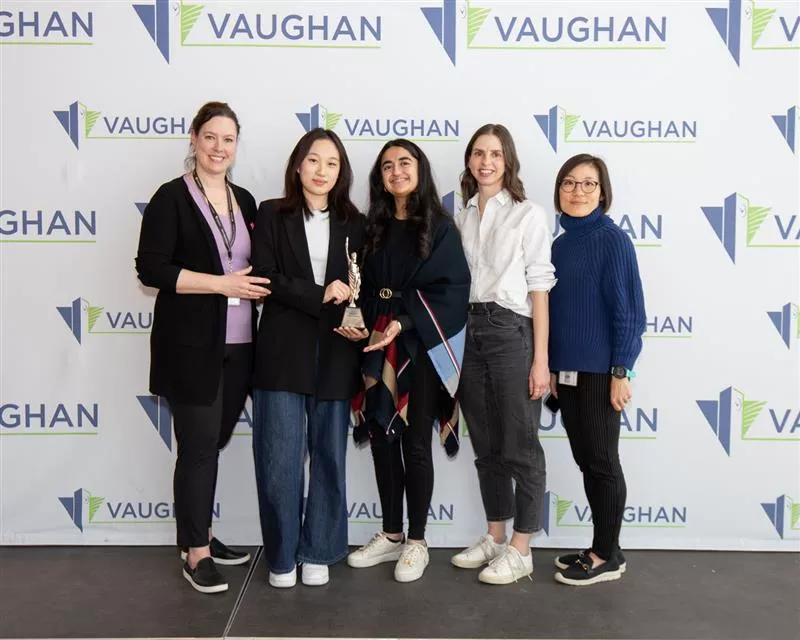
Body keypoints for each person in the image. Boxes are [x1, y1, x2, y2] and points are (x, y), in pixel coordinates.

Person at [135, 101, 270, 594]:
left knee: (210, 445)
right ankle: (196, 553)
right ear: (193, 139)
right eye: (210, 137)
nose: (219, 147)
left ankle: (201, 532)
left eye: (228, 139)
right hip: (191, 347)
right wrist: (219, 284)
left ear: (237, 146)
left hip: (241, 346)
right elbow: (151, 269)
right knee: (197, 449)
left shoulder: (247, 200)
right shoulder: (171, 198)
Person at [340, 139, 470, 583]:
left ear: (421, 170)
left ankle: (417, 540)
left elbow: (453, 292)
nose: (397, 171)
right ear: (380, 176)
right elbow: (355, 283)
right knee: (380, 436)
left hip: (418, 346)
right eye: (388, 165)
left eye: (405, 163)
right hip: (376, 342)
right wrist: (359, 321)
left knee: (415, 443)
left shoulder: (440, 228)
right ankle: (391, 534)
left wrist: (404, 322)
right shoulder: (368, 227)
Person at [250, 128, 364, 588]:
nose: (322, 171)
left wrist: (363, 319)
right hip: (281, 348)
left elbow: (364, 285)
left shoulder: (356, 222)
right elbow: (266, 277)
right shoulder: (270, 214)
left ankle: (319, 548)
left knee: (328, 454)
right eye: (314, 161)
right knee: (278, 457)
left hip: (338, 348)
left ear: (342, 172)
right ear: (298, 166)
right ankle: (280, 556)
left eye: (332, 163)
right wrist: (321, 294)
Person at [450, 124, 556, 584]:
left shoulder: (528, 214)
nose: (486, 161)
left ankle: (522, 546)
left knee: (521, 443)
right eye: (478, 153)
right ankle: (495, 535)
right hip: (468, 330)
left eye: (495, 153)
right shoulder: (463, 213)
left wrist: (541, 359)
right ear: (470, 161)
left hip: (511, 331)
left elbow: (539, 288)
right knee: (486, 443)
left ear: (508, 161)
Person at [548, 153, 646, 586]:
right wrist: (550, 367)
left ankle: (606, 555)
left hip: (599, 373)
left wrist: (621, 371)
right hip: (566, 373)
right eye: (569, 183)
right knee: (588, 461)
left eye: (588, 184)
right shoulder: (559, 244)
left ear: (603, 192)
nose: (578, 192)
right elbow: (556, 313)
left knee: (603, 463)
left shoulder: (613, 240)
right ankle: (604, 546)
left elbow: (630, 313)